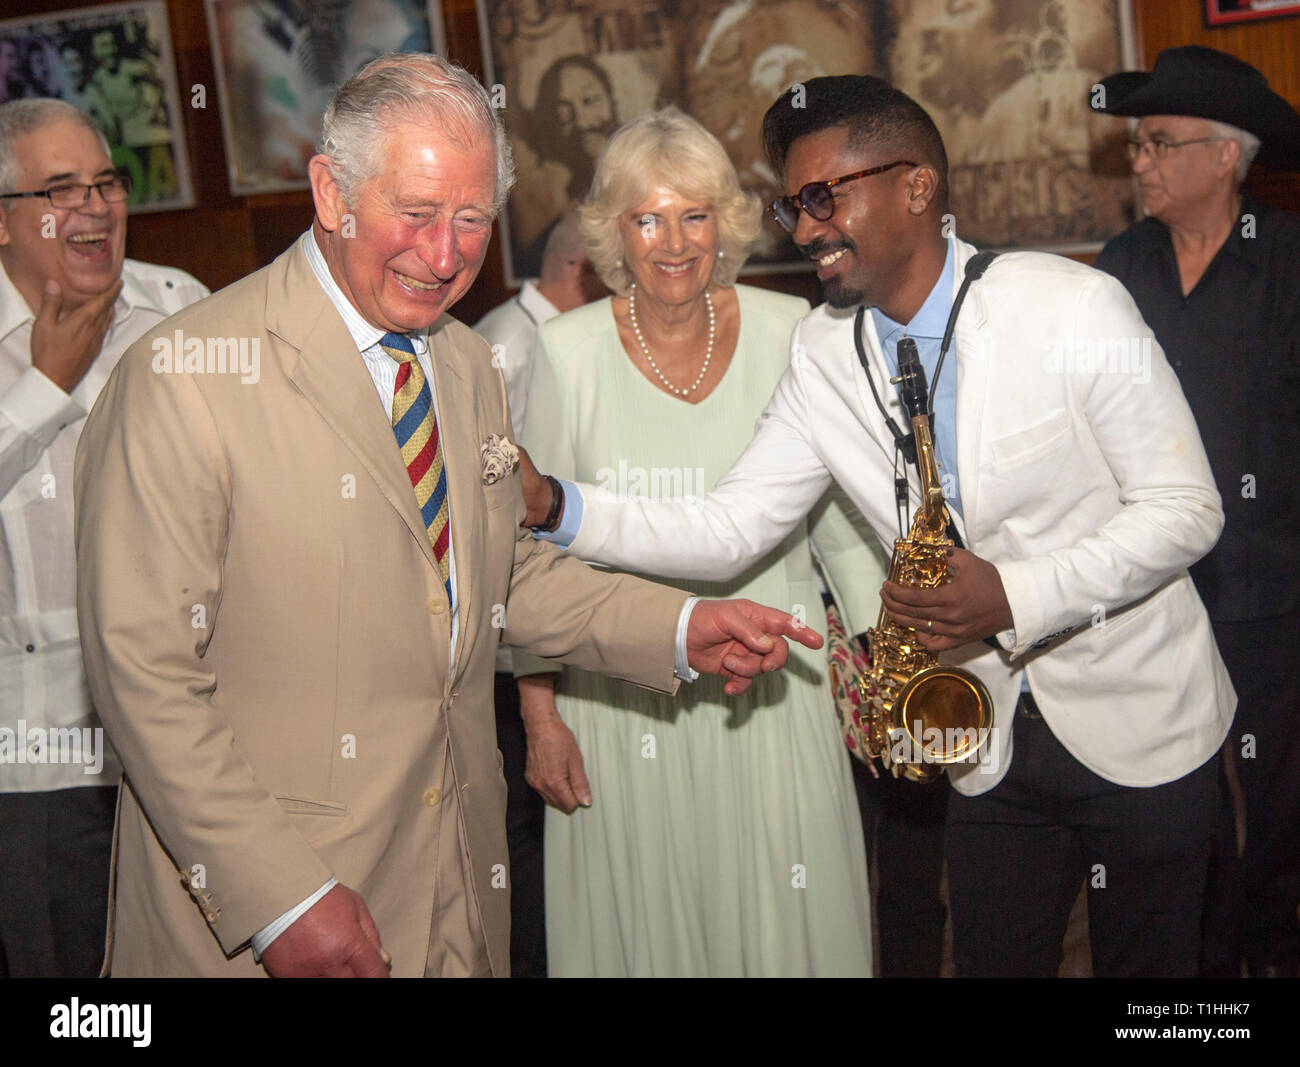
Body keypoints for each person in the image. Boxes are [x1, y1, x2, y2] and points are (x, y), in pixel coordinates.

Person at [72, 53, 817, 979]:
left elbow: (502, 577)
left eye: (471, 220)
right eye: (416, 214)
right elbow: (142, 672)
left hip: (459, 894)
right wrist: (280, 899)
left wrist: (678, 626)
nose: (446, 253)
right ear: (330, 192)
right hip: (269, 920)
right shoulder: (186, 378)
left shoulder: (467, 367)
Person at [523, 74, 1235, 978]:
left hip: (1146, 723)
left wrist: (1011, 593)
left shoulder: (1070, 308)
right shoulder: (823, 353)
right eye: (793, 206)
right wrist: (557, 506)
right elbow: (730, 525)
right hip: (985, 740)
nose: (807, 226)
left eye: (826, 196)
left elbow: (1187, 510)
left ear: (916, 187)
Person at [517, 107, 881, 978]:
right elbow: (530, 554)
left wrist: (874, 652)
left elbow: (834, 515)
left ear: (726, 222)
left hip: (777, 690)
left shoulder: (791, 331)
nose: (673, 242)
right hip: (618, 701)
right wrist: (539, 717)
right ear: (615, 232)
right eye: (648, 217)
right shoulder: (563, 353)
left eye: (694, 214)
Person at [1090, 45, 1300, 978]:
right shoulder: (1119, 267)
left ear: (1227, 156)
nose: (1139, 161)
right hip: (1150, 587)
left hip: (1267, 587)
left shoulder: (1288, 265)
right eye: (1136, 144)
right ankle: (1201, 978)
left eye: (1160, 143)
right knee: (1173, 805)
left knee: (1275, 801)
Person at [0, 97, 207, 977]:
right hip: (41, 769)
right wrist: (42, 388)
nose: (94, 206)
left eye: (106, 182)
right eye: (59, 189)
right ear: (5, 223)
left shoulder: (180, 311)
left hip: (185, 757)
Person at [472, 208, 606, 978]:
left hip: (538, 629)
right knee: (528, 831)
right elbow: (518, 521)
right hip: (514, 639)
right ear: (583, 267)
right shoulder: (516, 347)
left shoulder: (537, 337)